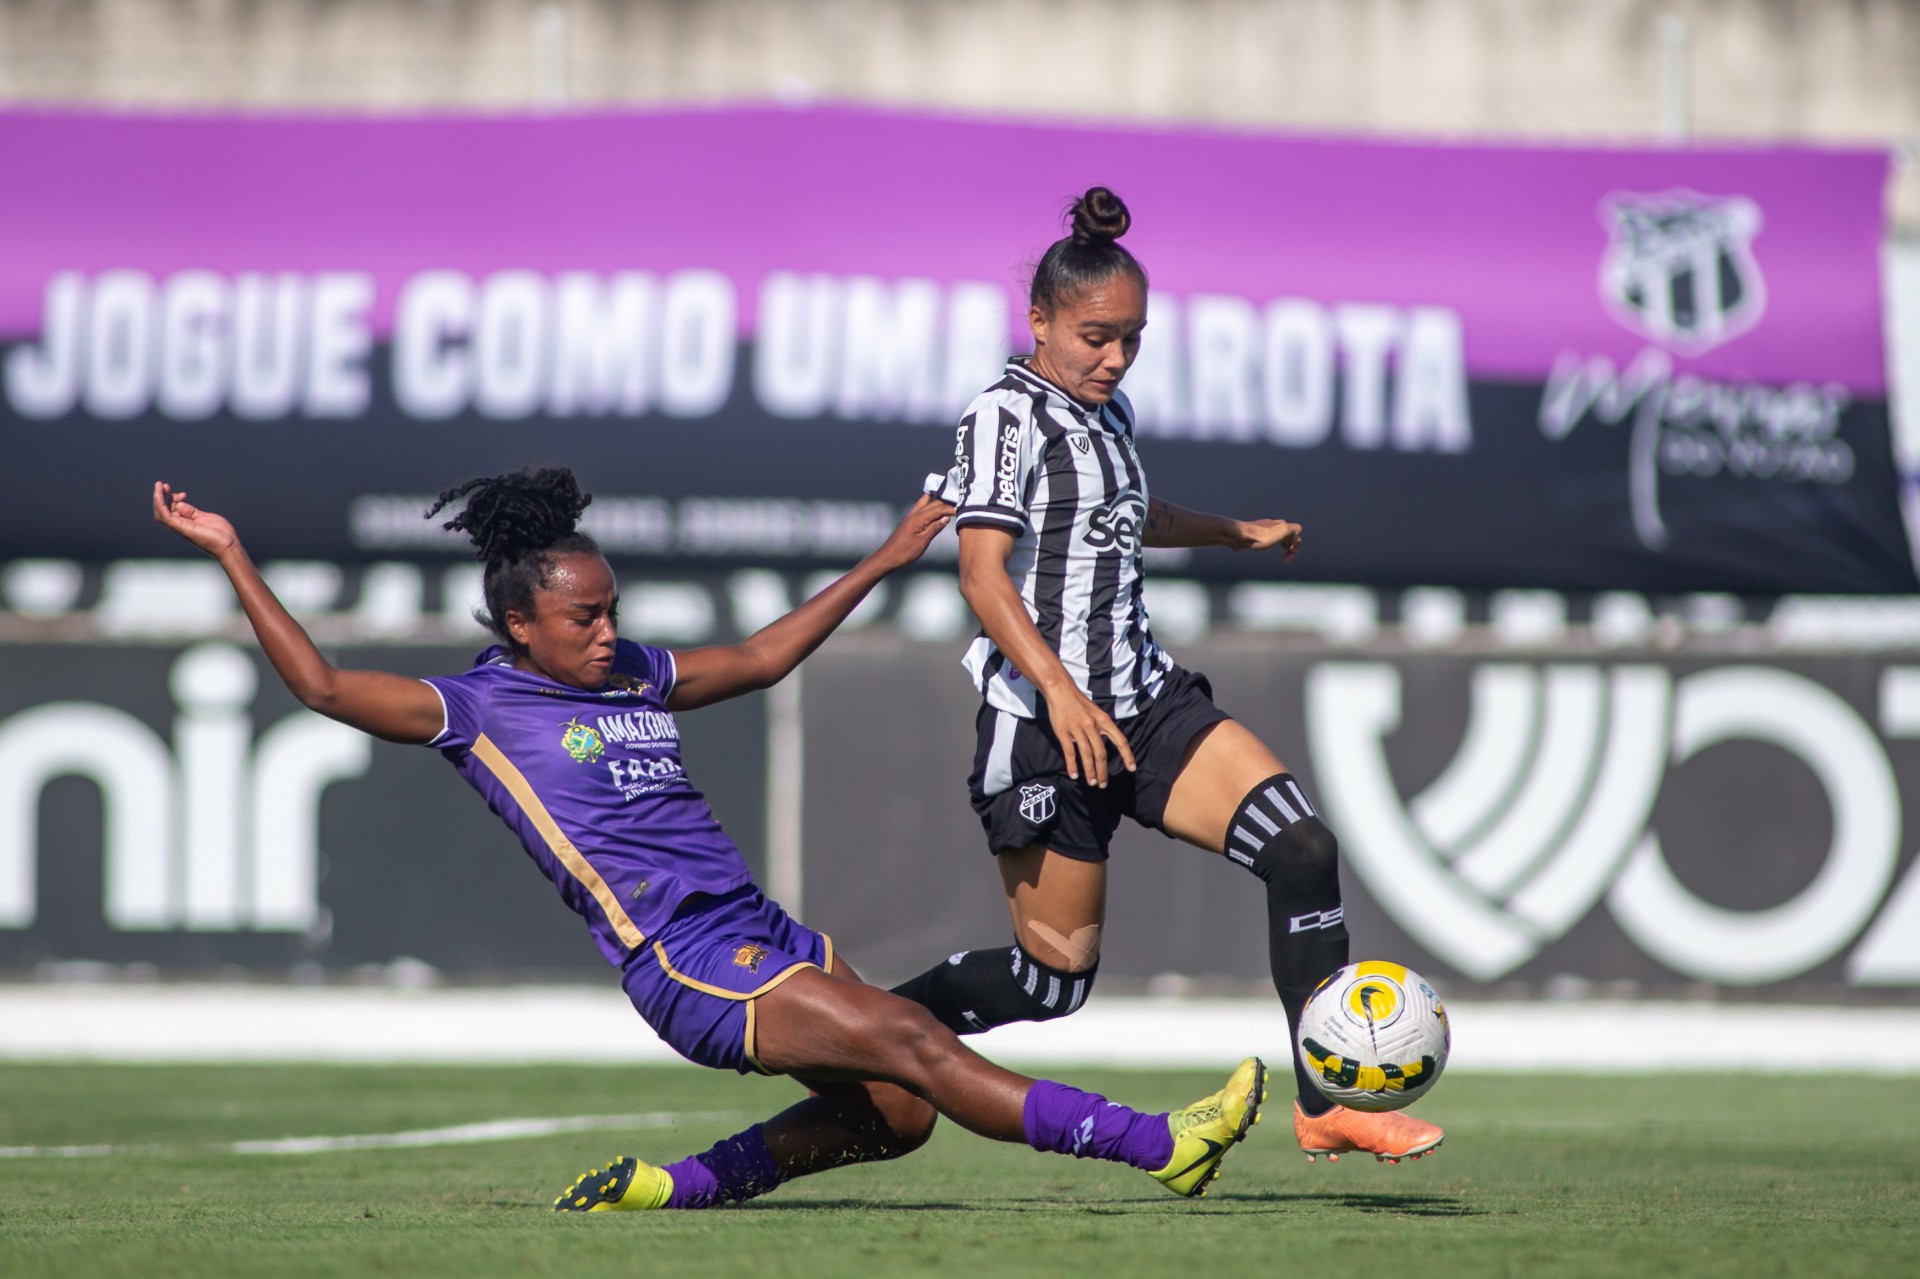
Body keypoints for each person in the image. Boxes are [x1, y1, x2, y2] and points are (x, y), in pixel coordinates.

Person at [151, 466, 1266, 1210]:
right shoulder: (477, 708)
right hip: (682, 958)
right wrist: (230, 550)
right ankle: (1157, 1145)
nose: (609, 632)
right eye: (583, 618)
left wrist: (882, 562)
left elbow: (764, 658)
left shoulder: (630, 672)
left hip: (760, 926)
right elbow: (325, 684)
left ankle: (674, 1187)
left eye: (613, 608)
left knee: (898, 1114)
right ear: (519, 624)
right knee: (913, 1042)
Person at [893, 187, 1443, 1165]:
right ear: (1041, 321)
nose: (1114, 358)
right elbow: (981, 573)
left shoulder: (1112, 413)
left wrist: (1231, 530)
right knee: (1051, 982)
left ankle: (1326, 1103)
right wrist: (1061, 691)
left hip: (1146, 706)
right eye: (1097, 337)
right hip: (1042, 725)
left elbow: (1123, 513)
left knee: (1303, 850)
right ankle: (881, 1031)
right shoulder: (1004, 415)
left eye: (1133, 340)